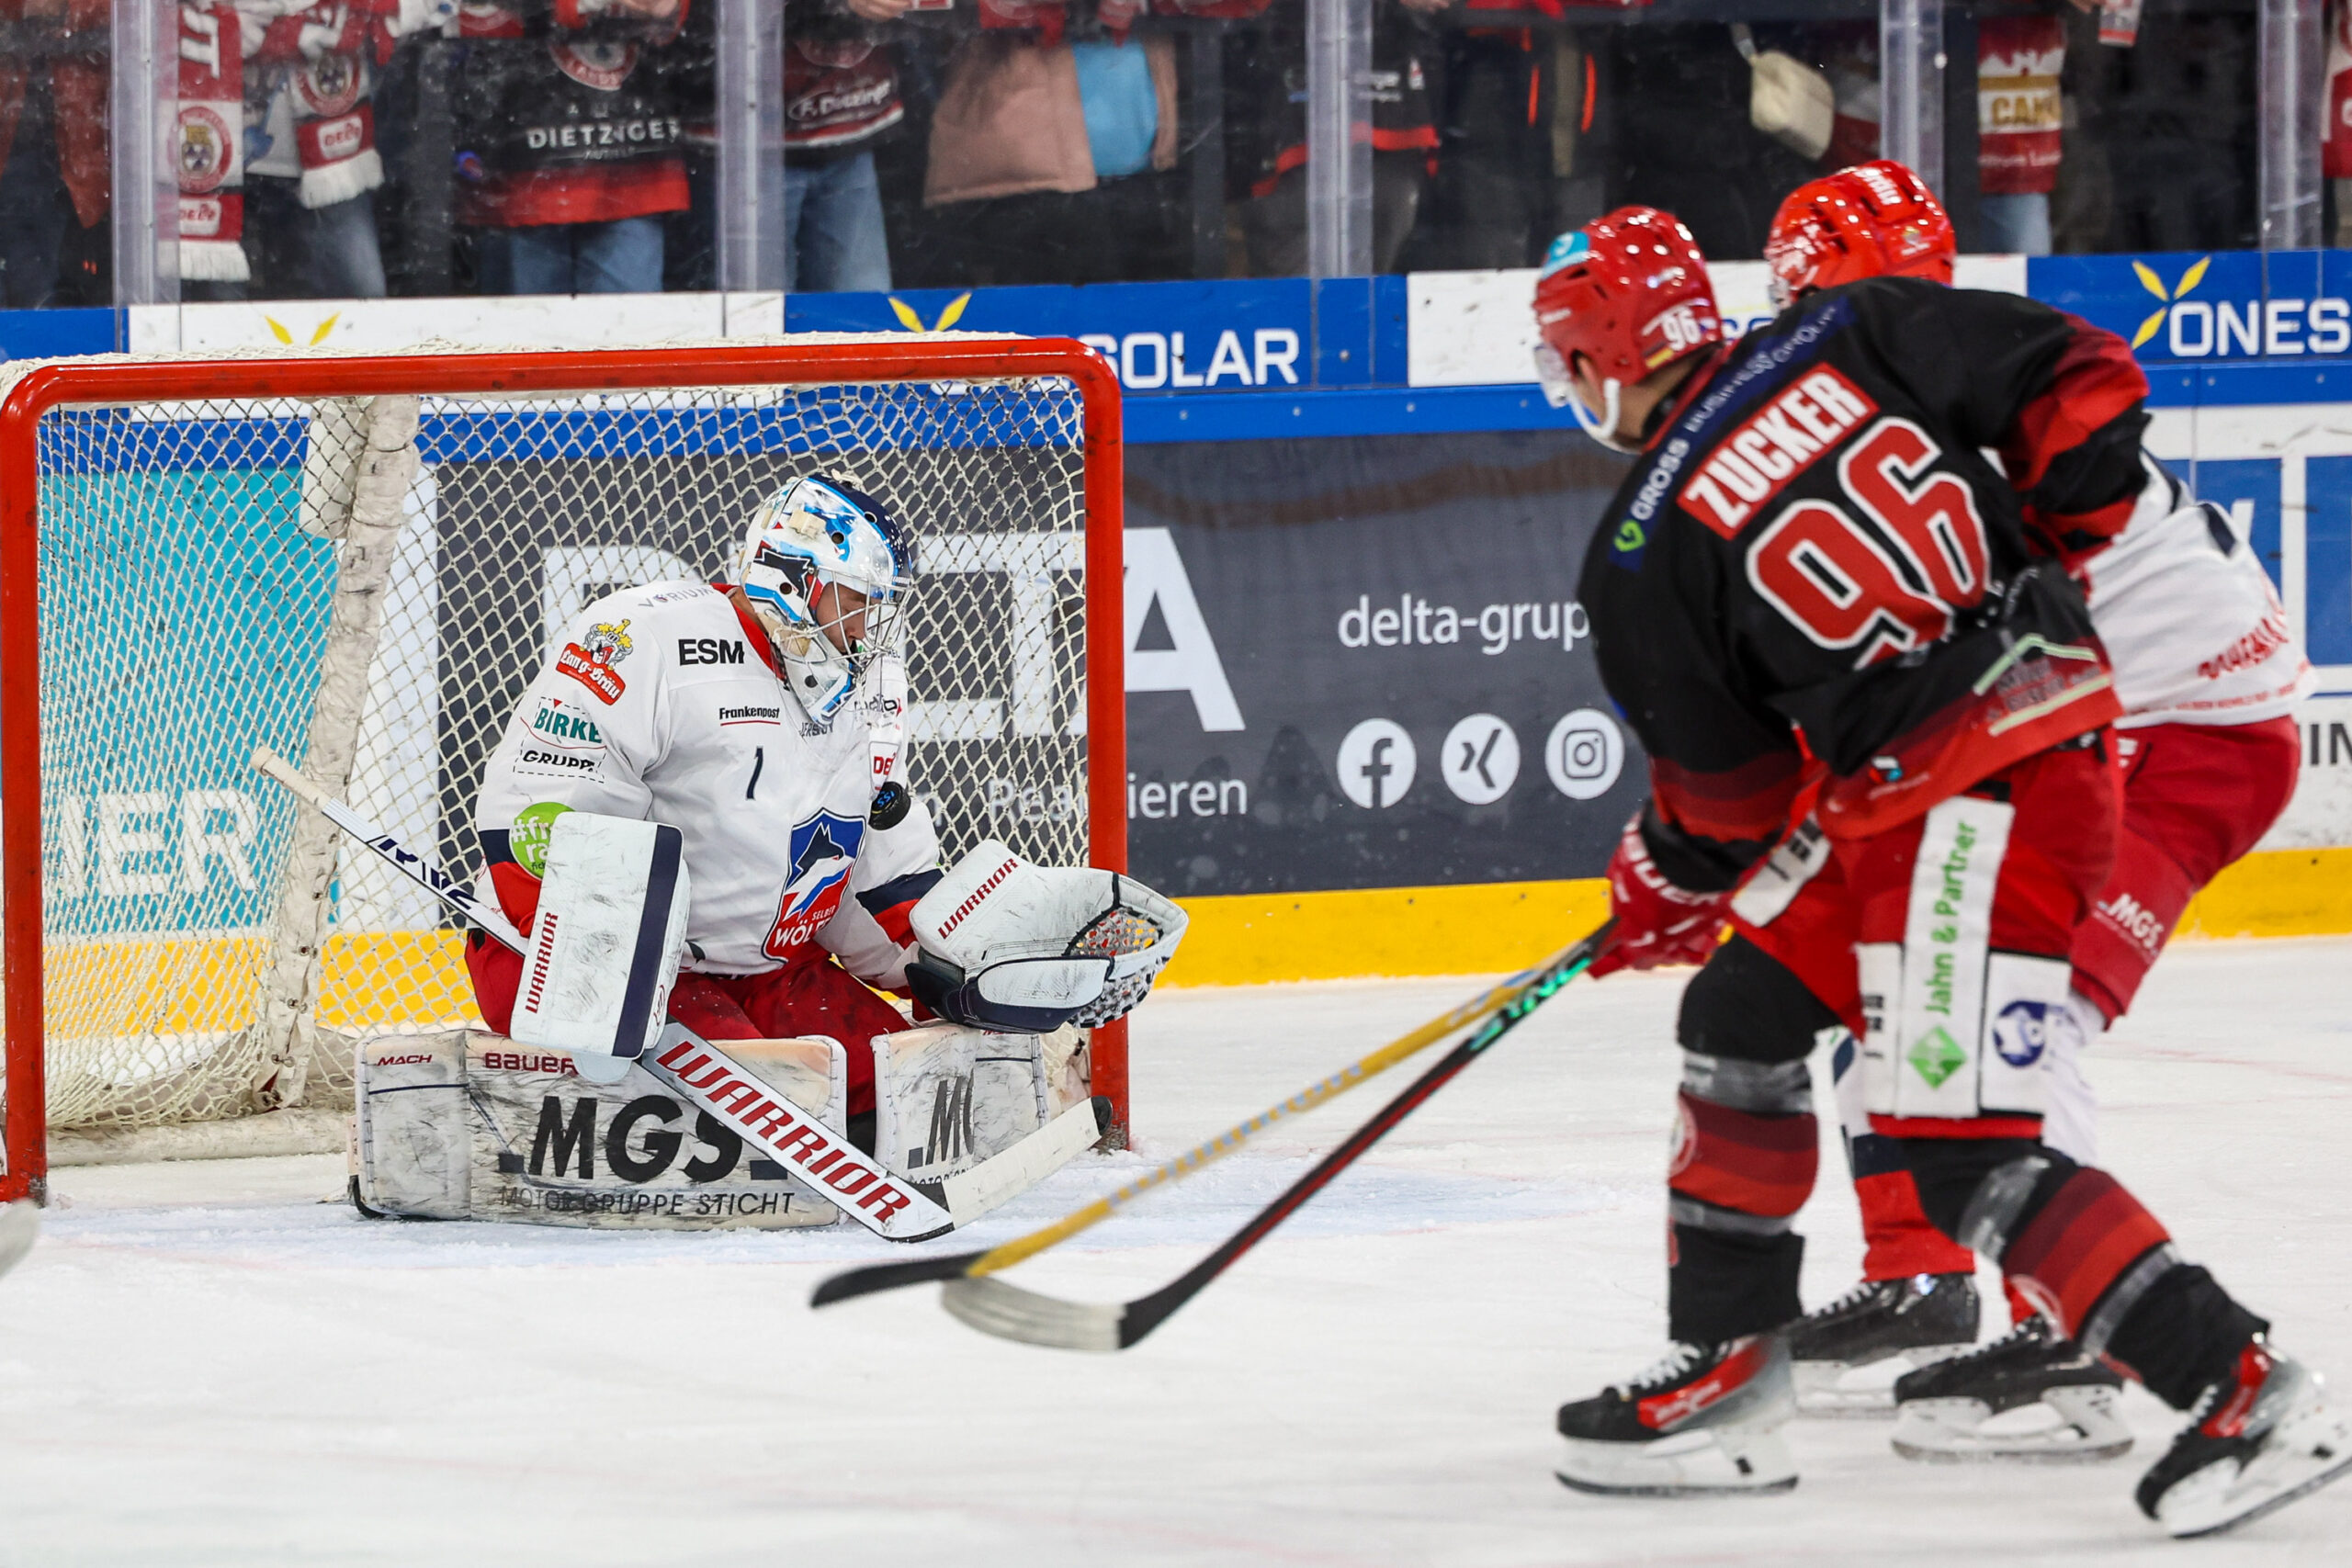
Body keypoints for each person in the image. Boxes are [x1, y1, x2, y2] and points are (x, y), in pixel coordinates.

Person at [1532, 204, 2349, 1535]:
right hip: (2021, 746)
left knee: (1958, 1141)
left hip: (1980, 804)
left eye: (1567, 362)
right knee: (1738, 1011)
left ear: (1606, 357)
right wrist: (2063, 532)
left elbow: (1727, 809)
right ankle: (1730, 1370)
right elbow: (2080, 378)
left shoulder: (1639, 548)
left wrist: (1660, 879)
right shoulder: (1844, 328)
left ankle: (2243, 1382)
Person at [1760, 161, 2312, 1459]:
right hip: (2116, 725)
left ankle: (2075, 1339)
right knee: (1890, 980)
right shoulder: (1931, 381)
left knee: (2019, 1013)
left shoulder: (1935, 422)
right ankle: (1922, 1275)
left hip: (2191, 746)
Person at [468, 474, 939, 1134]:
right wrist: (600, 983)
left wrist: (939, 971)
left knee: (903, 1087)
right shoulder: (643, 637)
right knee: (769, 1106)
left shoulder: (861, 688)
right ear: (793, 577)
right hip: (582, 962)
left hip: (758, 973)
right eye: (853, 600)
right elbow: (539, 810)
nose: (864, 628)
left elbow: (851, 866)